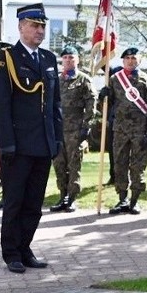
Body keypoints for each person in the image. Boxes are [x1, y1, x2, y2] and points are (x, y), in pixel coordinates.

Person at [0, 2, 62, 273]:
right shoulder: (7, 58)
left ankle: (25, 247)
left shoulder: (48, 59)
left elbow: (55, 104)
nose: (40, 31)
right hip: (17, 145)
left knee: (34, 203)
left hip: (42, 143)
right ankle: (11, 252)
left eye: (43, 26)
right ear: (21, 27)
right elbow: (1, 104)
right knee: (15, 201)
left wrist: (56, 139)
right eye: (34, 25)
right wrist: (5, 141)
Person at [100, 47, 147, 215]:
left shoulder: (146, 80)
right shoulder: (114, 79)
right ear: (123, 60)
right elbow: (107, 104)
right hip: (120, 130)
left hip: (140, 130)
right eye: (127, 58)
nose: (131, 60)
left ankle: (134, 201)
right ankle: (122, 199)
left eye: (134, 58)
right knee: (119, 164)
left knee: (137, 166)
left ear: (139, 60)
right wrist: (103, 95)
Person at [50, 45, 97, 213]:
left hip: (75, 130)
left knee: (74, 164)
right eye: (65, 58)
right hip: (57, 130)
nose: (68, 60)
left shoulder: (84, 80)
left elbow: (91, 104)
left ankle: (72, 198)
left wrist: (86, 127)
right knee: (59, 164)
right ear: (62, 60)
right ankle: (62, 195)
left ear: (78, 60)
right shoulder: (55, 80)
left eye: (72, 57)